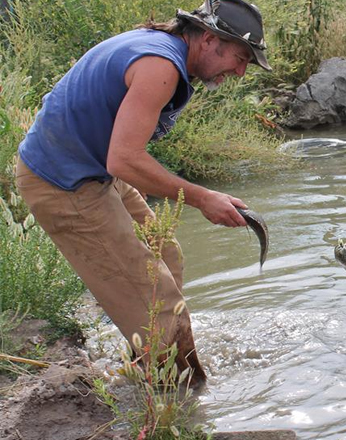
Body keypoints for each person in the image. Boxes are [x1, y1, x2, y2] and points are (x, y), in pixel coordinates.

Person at [14, 0, 272, 386]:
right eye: (239, 58)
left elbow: (118, 157)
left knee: (166, 254)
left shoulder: (164, 51)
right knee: (159, 302)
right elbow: (124, 159)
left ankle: (145, 365)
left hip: (93, 169)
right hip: (63, 183)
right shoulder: (160, 66)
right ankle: (181, 401)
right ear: (207, 38)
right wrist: (202, 197)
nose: (238, 71)